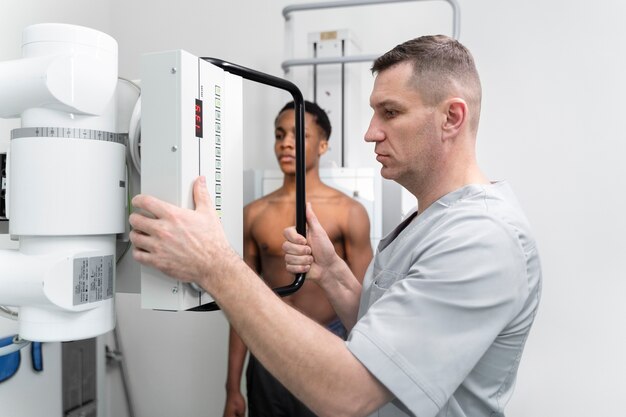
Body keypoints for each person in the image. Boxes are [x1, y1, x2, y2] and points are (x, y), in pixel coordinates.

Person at [129, 35, 542, 417]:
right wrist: (332, 275)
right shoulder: (430, 221)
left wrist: (214, 264)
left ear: (452, 117)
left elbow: (350, 392)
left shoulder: (481, 238)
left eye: (390, 112)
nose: (369, 132)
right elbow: (380, 337)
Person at [223, 100, 373, 417]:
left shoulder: (349, 212)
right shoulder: (254, 214)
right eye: (279, 135)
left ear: (322, 145)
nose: (286, 143)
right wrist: (232, 388)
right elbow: (241, 301)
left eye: (298, 135)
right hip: (269, 345)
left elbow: (366, 306)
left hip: (329, 344)